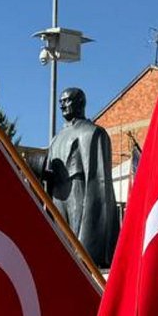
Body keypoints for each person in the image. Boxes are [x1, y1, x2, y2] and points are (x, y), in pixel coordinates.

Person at [39, 88, 120, 268]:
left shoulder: (93, 133)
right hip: (58, 195)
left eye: (67, 100)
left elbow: (99, 183)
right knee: (61, 243)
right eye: (61, 102)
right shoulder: (55, 139)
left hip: (79, 190)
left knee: (78, 245)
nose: (62, 105)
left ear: (81, 102)